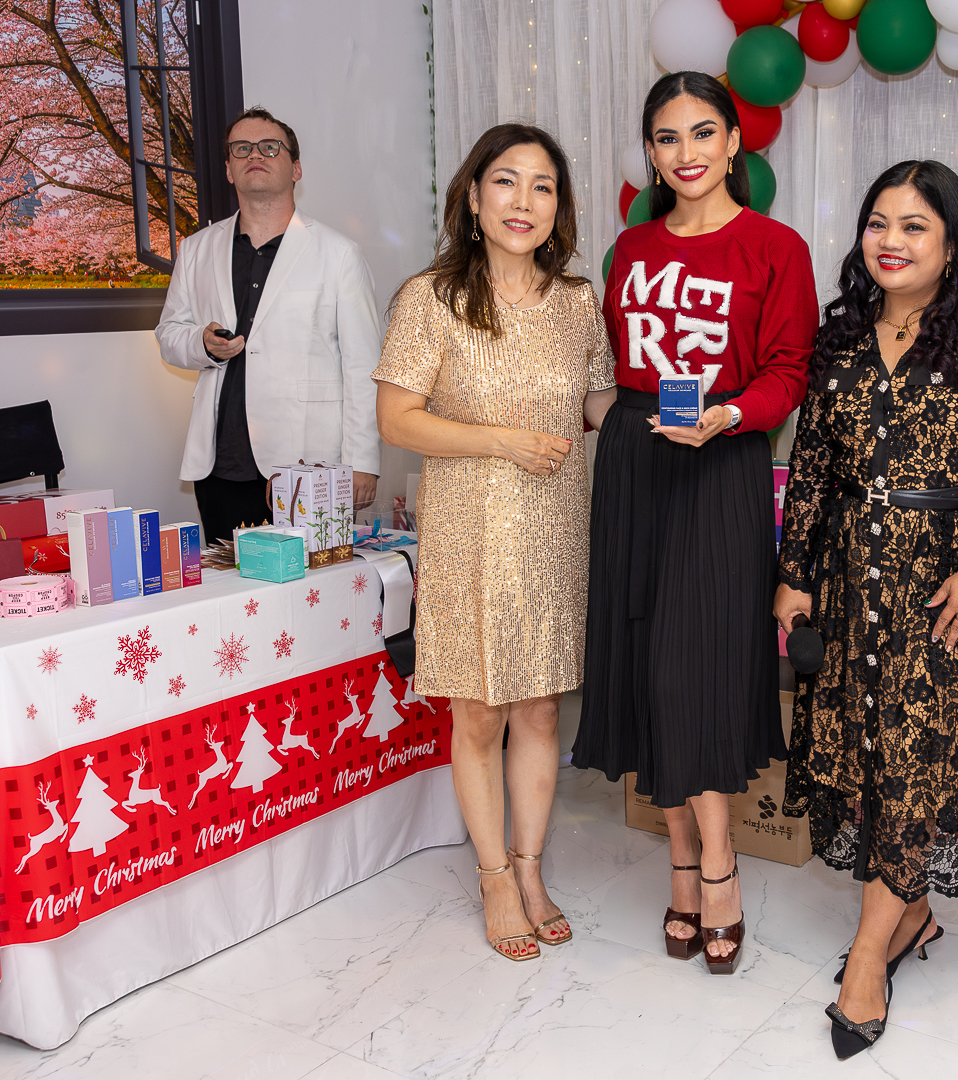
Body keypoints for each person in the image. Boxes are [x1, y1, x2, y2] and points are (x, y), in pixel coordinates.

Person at [773, 160, 958, 1058]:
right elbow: (812, 468)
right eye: (878, 223)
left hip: (945, 591)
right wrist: (794, 573)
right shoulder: (843, 336)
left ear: (951, 243)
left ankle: (868, 956)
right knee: (872, 758)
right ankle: (914, 915)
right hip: (852, 581)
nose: (890, 241)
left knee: (914, 758)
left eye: (914, 226)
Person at [570, 72, 818, 976]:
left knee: (697, 669)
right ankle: (681, 861)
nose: (687, 153)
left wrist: (729, 416)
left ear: (735, 141)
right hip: (636, 463)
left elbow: (789, 370)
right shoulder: (631, 248)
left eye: (703, 132)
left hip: (721, 461)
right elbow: (609, 362)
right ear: (649, 150)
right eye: (667, 137)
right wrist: (603, 416)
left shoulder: (775, 247)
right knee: (644, 664)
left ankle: (719, 867)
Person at [372, 124, 616, 962]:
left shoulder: (578, 303)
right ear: (473, 196)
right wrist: (502, 441)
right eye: (506, 181)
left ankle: (532, 867)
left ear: (559, 207)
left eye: (543, 186)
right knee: (477, 711)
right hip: (470, 532)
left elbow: (597, 406)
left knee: (541, 708)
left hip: (554, 530)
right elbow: (397, 420)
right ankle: (493, 877)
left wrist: (682, 413)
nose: (523, 201)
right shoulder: (430, 297)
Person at [156, 106, 381, 543]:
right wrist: (202, 343)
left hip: (309, 466)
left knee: (314, 581)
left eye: (269, 147)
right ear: (228, 169)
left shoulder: (339, 254)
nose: (254, 154)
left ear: (295, 168)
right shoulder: (196, 249)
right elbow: (169, 334)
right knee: (231, 583)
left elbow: (363, 367)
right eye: (241, 148)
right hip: (220, 464)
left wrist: (363, 462)